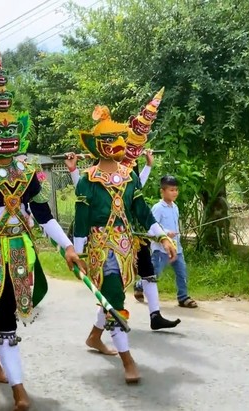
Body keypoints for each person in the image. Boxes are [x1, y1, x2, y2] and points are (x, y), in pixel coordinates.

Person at [0, 39, 82, 411]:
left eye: (10, 131)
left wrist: (67, 246)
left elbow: (44, 216)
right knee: (5, 311)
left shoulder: (27, 173)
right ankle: (19, 388)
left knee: (8, 309)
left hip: (22, 249)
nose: (6, 137)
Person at [72, 105, 178, 384]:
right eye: (110, 139)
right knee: (116, 301)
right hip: (101, 249)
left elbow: (143, 213)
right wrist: (77, 253)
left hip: (126, 247)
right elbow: (81, 221)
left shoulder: (130, 177)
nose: (118, 143)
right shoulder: (87, 180)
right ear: (97, 145)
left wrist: (163, 237)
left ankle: (94, 336)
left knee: (113, 294)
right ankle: (128, 360)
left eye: (120, 138)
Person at [151, 175, 198, 308]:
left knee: (182, 272)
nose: (175, 193)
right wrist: (166, 232)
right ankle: (139, 286)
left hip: (177, 248)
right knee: (155, 273)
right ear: (162, 191)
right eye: (171, 190)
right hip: (161, 249)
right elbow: (152, 227)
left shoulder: (175, 207)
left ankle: (183, 297)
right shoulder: (158, 208)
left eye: (176, 190)